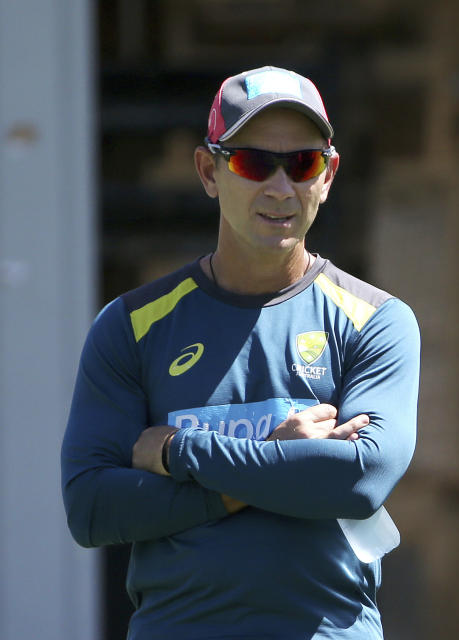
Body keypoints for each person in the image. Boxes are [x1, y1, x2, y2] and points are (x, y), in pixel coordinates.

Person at [61, 66, 420, 639]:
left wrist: (181, 452)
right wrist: (278, 463)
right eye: (254, 163)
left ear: (327, 175)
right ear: (209, 171)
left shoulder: (376, 320)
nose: (280, 188)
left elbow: (359, 480)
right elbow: (92, 508)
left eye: (302, 163)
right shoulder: (131, 325)